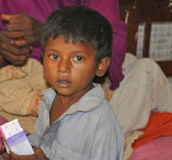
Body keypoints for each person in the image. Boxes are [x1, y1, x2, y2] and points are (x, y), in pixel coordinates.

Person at [8, 6, 124, 160]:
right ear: (43, 58)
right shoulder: (48, 100)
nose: (63, 68)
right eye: (54, 56)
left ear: (100, 66)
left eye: (78, 58)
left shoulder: (101, 121)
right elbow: (42, 147)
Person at [0, 0, 127, 90]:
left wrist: (47, 34)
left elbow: (109, 43)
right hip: (29, 81)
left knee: (142, 72)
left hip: (82, 77)